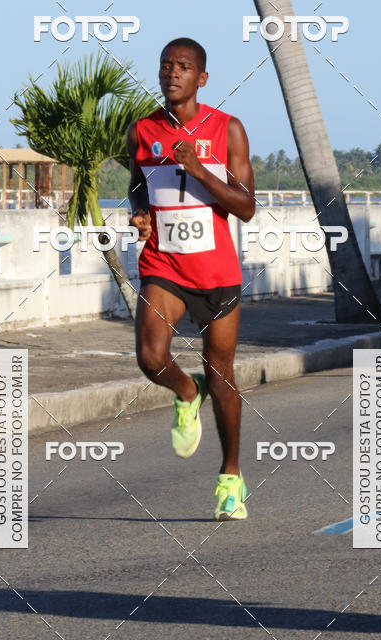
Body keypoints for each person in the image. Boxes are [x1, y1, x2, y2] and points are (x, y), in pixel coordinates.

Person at [126, 38, 255, 520]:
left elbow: (246, 208)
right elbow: (138, 186)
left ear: (201, 78)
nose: (172, 73)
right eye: (165, 65)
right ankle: (184, 391)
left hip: (217, 275)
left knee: (222, 378)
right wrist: (140, 214)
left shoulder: (228, 130)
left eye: (183, 67)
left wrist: (200, 170)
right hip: (165, 265)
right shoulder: (142, 130)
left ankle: (231, 477)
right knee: (150, 356)